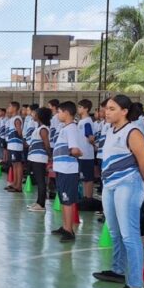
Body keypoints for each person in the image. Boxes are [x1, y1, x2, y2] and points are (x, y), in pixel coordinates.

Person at [90, 95, 144, 288]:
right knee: (115, 231)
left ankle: (134, 286)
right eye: (106, 108)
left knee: (129, 235)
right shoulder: (111, 130)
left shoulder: (132, 131)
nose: (107, 112)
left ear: (124, 111)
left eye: (112, 108)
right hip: (110, 185)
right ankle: (117, 270)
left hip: (128, 184)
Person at [51, 101, 82, 242]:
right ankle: (65, 226)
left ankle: (69, 231)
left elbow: (74, 149)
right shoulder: (65, 128)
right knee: (64, 200)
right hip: (61, 169)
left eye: (59, 112)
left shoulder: (71, 128)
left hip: (68, 170)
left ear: (66, 113)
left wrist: (79, 153)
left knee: (67, 200)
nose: (58, 114)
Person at [26, 107, 51, 212]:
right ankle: (38, 202)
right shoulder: (38, 128)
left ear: (40, 116)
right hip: (34, 157)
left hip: (39, 158)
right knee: (38, 180)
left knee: (41, 181)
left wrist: (50, 157)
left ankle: (41, 204)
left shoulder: (43, 129)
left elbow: (47, 145)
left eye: (35, 114)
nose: (33, 115)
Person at [76, 99, 96, 206]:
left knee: (88, 178)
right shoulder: (81, 121)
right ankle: (85, 197)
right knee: (83, 178)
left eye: (80, 107)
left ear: (86, 109)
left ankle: (89, 198)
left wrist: (93, 144)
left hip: (87, 154)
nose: (78, 109)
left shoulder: (87, 121)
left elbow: (91, 137)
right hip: (82, 155)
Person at [5, 102, 24, 192]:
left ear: (15, 108)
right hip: (12, 145)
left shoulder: (17, 119)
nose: (8, 108)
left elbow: (20, 132)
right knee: (14, 164)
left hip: (16, 145)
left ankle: (18, 186)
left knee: (18, 164)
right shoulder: (12, 118)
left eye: (9, 106)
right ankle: (15, 183)